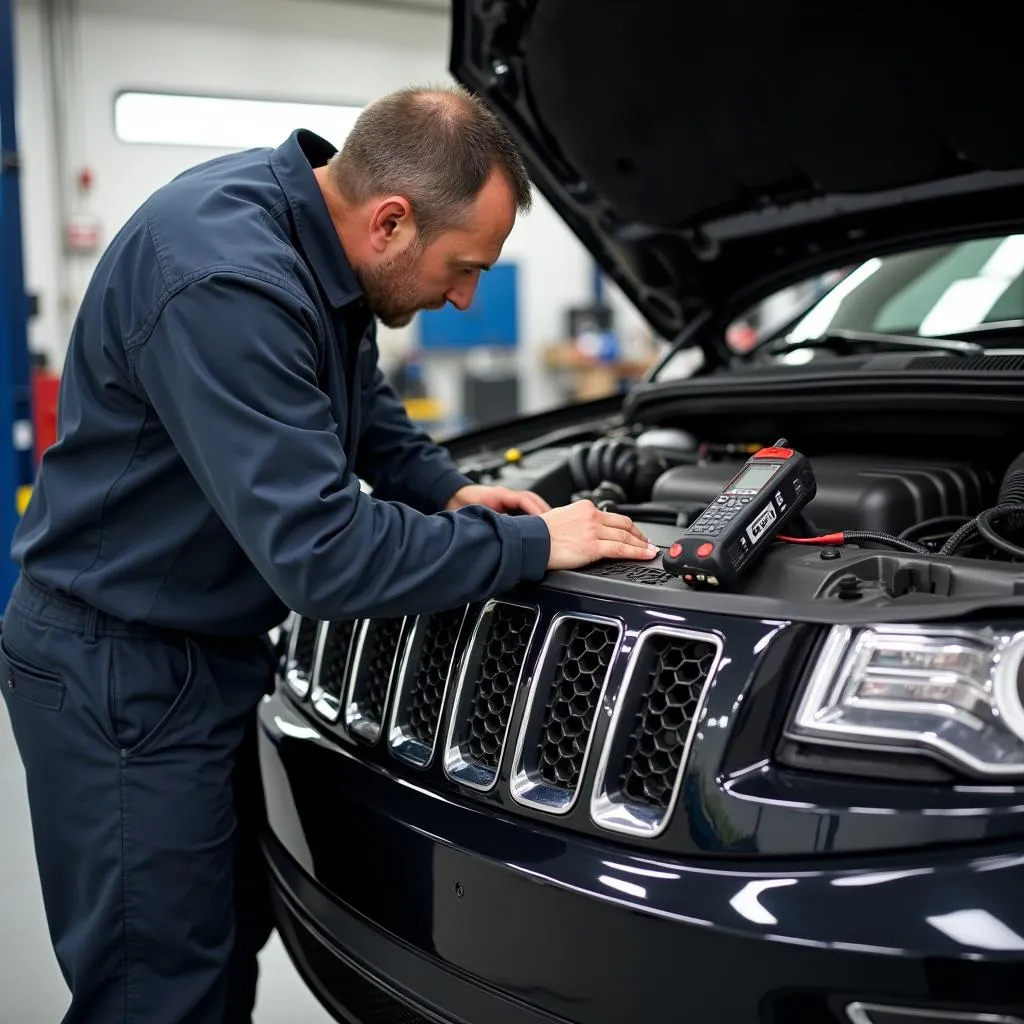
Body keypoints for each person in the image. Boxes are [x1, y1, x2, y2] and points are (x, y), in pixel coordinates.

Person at [0, 85, 658, 1023]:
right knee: (153, 991)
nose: (467, 295)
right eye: (465, 266)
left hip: (201, 655)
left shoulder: (314, 234)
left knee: (218, 943)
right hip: (121, 675)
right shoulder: (229, 279)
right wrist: (527, 540)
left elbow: (355, 402)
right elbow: (324, 555)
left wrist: (446, 489)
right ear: (392, 220)